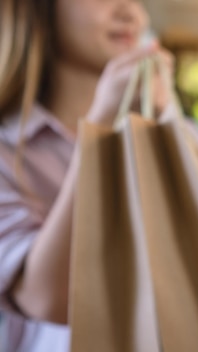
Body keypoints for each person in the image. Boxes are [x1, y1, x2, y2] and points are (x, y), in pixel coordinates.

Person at [0, 0, 173, 350]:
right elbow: (47, 300)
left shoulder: (167, 132)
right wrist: (101, 129)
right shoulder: (7, 151)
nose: (131, 12)